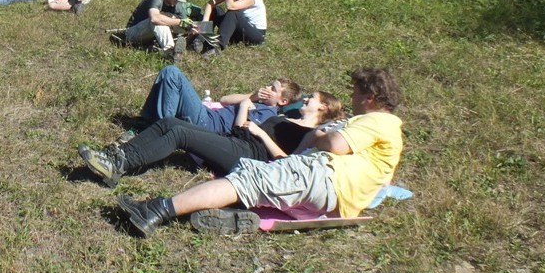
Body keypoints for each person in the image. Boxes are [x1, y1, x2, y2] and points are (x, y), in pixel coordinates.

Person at [115, 67, 404, 236]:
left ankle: (156, 209)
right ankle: (232, 216)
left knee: (246, 180)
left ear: (370, 98)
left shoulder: (379, 121)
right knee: (255, 186)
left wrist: (319, 137)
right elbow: (383, 181)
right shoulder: (388, 135)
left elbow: (335, 145)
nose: (352, 96)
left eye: (356, 92)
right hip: (333, 201)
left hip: (321, 178)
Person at [78, 91, 345, 187]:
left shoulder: (312, 134)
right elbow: (241, 124)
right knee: (171, 122)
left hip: (248, 157)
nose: (306, 99)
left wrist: (262, 133)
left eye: (312, 98)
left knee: (180, 134)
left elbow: (288, 163)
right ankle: (117, 154)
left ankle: (119, 165)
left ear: (323, 108)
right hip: (235, 141)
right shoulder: (287, 117)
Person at [139, 65, 301, 136]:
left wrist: (244, 106)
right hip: (208, 114)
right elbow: (224, 99)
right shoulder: (257, 101)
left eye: (273, 89)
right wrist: (252, 97)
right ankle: (147, 120)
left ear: (283, 101)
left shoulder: (268, 114)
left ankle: (159, 129)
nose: (267, 88)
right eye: (269, 84)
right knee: (166, 73)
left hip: (208, 125)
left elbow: (241, 132)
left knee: (172, 73)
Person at [116, 0, 193, 58]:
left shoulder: (177, 6)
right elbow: (154, 18)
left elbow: (185, 22)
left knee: (184, 26)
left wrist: (191, 28)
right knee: (159, 21)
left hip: (151, 37)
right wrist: (179, 21)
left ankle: (187, 46)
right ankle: (170, 52)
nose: (177, 0)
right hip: (132, 33)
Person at [197, 0, 266, 56]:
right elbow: (211, 3)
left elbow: (230, 6)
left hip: (255, 35)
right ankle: (201, 38)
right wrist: (203, 24)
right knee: (215, 10)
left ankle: (217, 46)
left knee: (233, 13)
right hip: (238, 29)